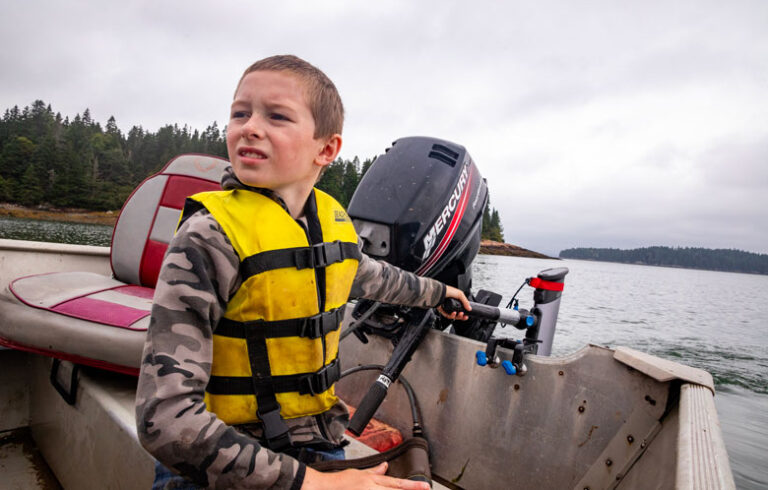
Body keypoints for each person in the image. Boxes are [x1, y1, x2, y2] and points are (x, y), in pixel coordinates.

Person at [135, 54, 471, 490]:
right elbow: (165, 420)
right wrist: (316, 484)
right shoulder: (208, 237)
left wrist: (438, 292)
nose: (250, 127)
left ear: (326, 149)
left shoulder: (328, 224)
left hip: (318, 444)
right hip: (222, 463)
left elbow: (374, 277)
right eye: (240, 113)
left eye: (276, 116)